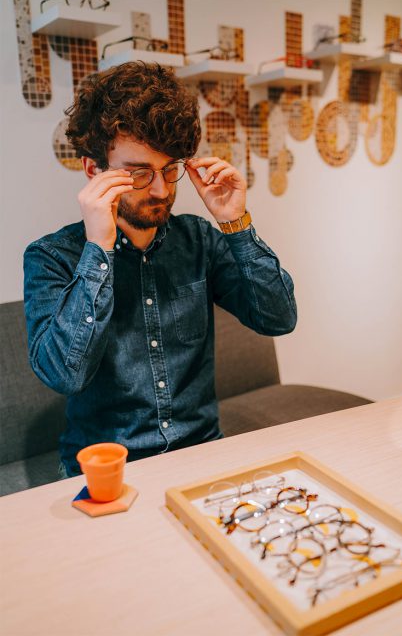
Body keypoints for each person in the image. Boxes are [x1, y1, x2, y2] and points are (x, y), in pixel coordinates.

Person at [23, 62, 297, 477]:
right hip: (106, 470)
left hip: (202, 454)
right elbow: (65, 375)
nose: (161, 190)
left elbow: (279, 318)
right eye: (139, 173)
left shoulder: (199, 240)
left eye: (170, 170)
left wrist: (236, 224)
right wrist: (98, 248)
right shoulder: (50, 256)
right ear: (94, 170)